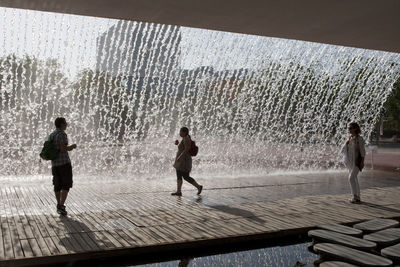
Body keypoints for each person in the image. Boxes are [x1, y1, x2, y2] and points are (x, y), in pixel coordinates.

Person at [50, 117, 77, 215]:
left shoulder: (52, 135)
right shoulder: (62, 134)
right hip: (64, 163)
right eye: (65, 123)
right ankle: (61, 205)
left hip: (54, 164)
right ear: (61, 124)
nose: (67, 125)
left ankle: (58, 204)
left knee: (57, 185)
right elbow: (63, 149)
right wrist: (72, 147)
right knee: (66, 184)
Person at [171, 127, 203, 196]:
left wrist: (180, 157)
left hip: (184, 160)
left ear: (185, 132)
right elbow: (183, 148)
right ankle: (179, 191)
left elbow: (186, 149)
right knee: (179, 175)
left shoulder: (186, 138)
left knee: (186, 176)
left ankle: (199, 187)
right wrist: (178, 144)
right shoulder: (185, 138)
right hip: (181, 160)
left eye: (181, 132)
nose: (180, 133)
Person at [341, 122, 366, 204]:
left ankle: (355, 196)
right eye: (348, 128)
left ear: (355, 129)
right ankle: (357, 197)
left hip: (357, 162)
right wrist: (346, 143)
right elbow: (343, 150)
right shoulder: (349, 138)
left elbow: (362, 151)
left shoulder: (359, 139)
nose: (349, 130)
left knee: (351, 178)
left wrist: (362, 162)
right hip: (350, 162)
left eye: (350, 128)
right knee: (355, 179)